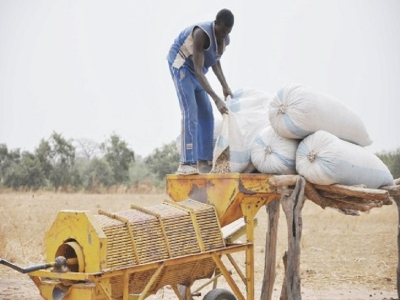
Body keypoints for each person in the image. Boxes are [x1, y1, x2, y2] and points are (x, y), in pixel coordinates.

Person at [167, 9, 234, 175]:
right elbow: (198, 70)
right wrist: (216, 98)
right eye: (220, 32)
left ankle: (203, 161)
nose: (222, 36)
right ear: (215, 24)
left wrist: (224, 85)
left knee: (207, 114)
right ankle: (186, 163)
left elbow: (214, 61)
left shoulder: (225, 39)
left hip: (198, 71)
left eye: (226, 33)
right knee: (191, 112)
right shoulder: (201, 34)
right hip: (182, 66)